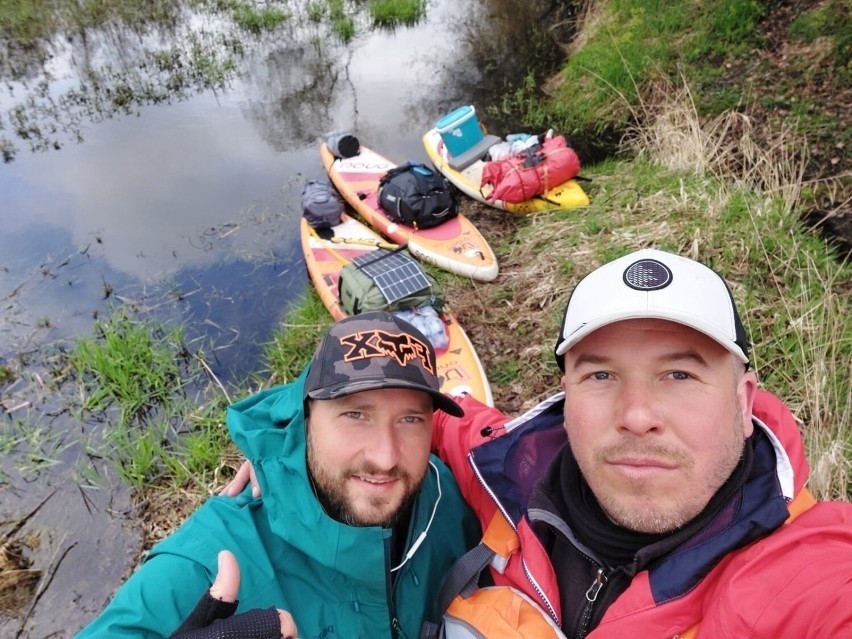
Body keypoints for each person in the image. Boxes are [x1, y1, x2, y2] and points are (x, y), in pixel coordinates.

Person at [225, 249, 852, 637]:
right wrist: (302, 442)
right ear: (566, 398)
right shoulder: (509, 471)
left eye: (679, 374)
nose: (636, 415)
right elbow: (441, 417)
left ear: (744, 402)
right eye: (601, 375)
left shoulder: (806, 577)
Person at [76, 311, 480, 639]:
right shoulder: (208, 562)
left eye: (410, 419)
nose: (386, 456)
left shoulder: (444, 495)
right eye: (355, 415)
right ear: (304, 423)